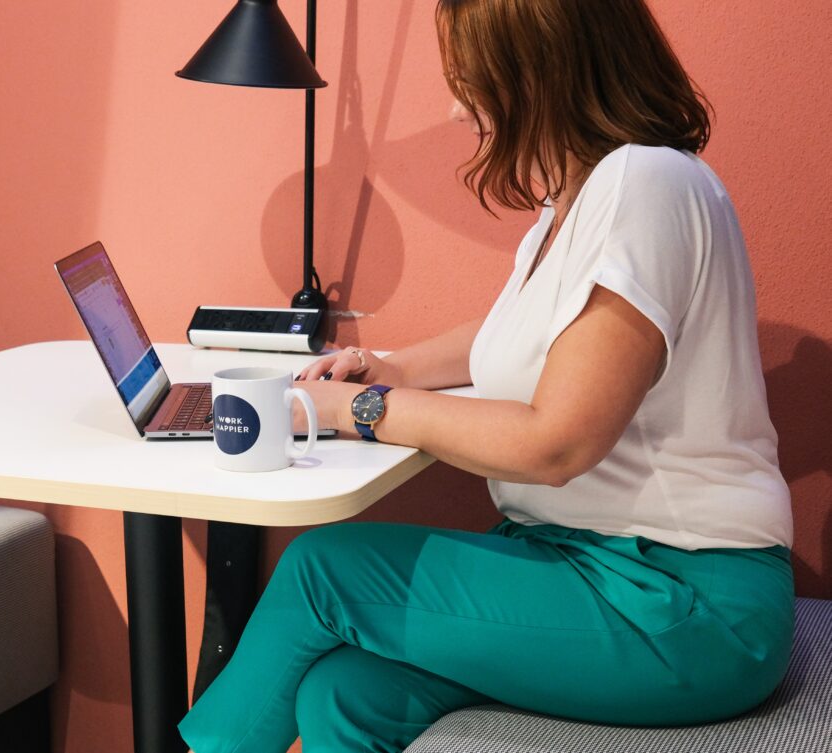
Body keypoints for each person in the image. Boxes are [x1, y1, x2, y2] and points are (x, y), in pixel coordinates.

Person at [179, 0, 795, 751]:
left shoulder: (647, 181)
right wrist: (397, 364)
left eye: (472, 79)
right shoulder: (571, 204)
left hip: (683, 602)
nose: (456, 104)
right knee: (343, 694)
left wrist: (359, 406)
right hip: (589, 566)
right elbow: (525, 335)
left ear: (539, 71)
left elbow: (557, 443)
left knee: (321, 570)